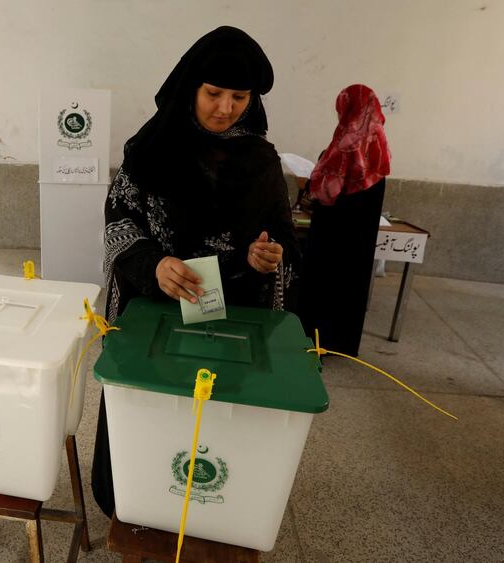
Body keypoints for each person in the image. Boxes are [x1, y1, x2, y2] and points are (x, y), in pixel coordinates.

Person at [93, 26, 299, 517]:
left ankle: (206, 504)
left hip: (229, 316)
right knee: (151, 413)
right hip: (156, 306)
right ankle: (136, 500)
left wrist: (268, 258)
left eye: (239, 96)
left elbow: (282, 238)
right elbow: (120, 220)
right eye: (213, 93)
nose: (225, 108)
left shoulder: (262, 162)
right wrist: (153, 264)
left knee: (212, 421)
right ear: (191, 87)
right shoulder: (147, 150)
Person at [299, 84, 391, 357]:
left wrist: (308, 188)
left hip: (331, 235)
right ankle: (343, 344)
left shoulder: (343, 147)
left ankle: (315, 341)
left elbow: (327, 194)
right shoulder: (379, 150)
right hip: (360, 238)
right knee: (351, 285)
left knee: (323, 286)